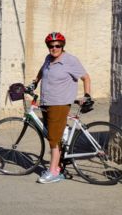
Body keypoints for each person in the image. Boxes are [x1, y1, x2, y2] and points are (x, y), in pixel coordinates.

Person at [29, 31, 92, 184]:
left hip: (59, 103)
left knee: (53, 139)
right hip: (46, 102)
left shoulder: (70, 60)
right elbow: (41, 71)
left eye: (58, 46)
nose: (54, 48)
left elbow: (86, 77)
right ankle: (59, 167)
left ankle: (53, 173)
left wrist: (87, 95)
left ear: (62, 46)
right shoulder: (48, 59)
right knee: (54, 136)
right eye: (51, 46)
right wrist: (34, 83)